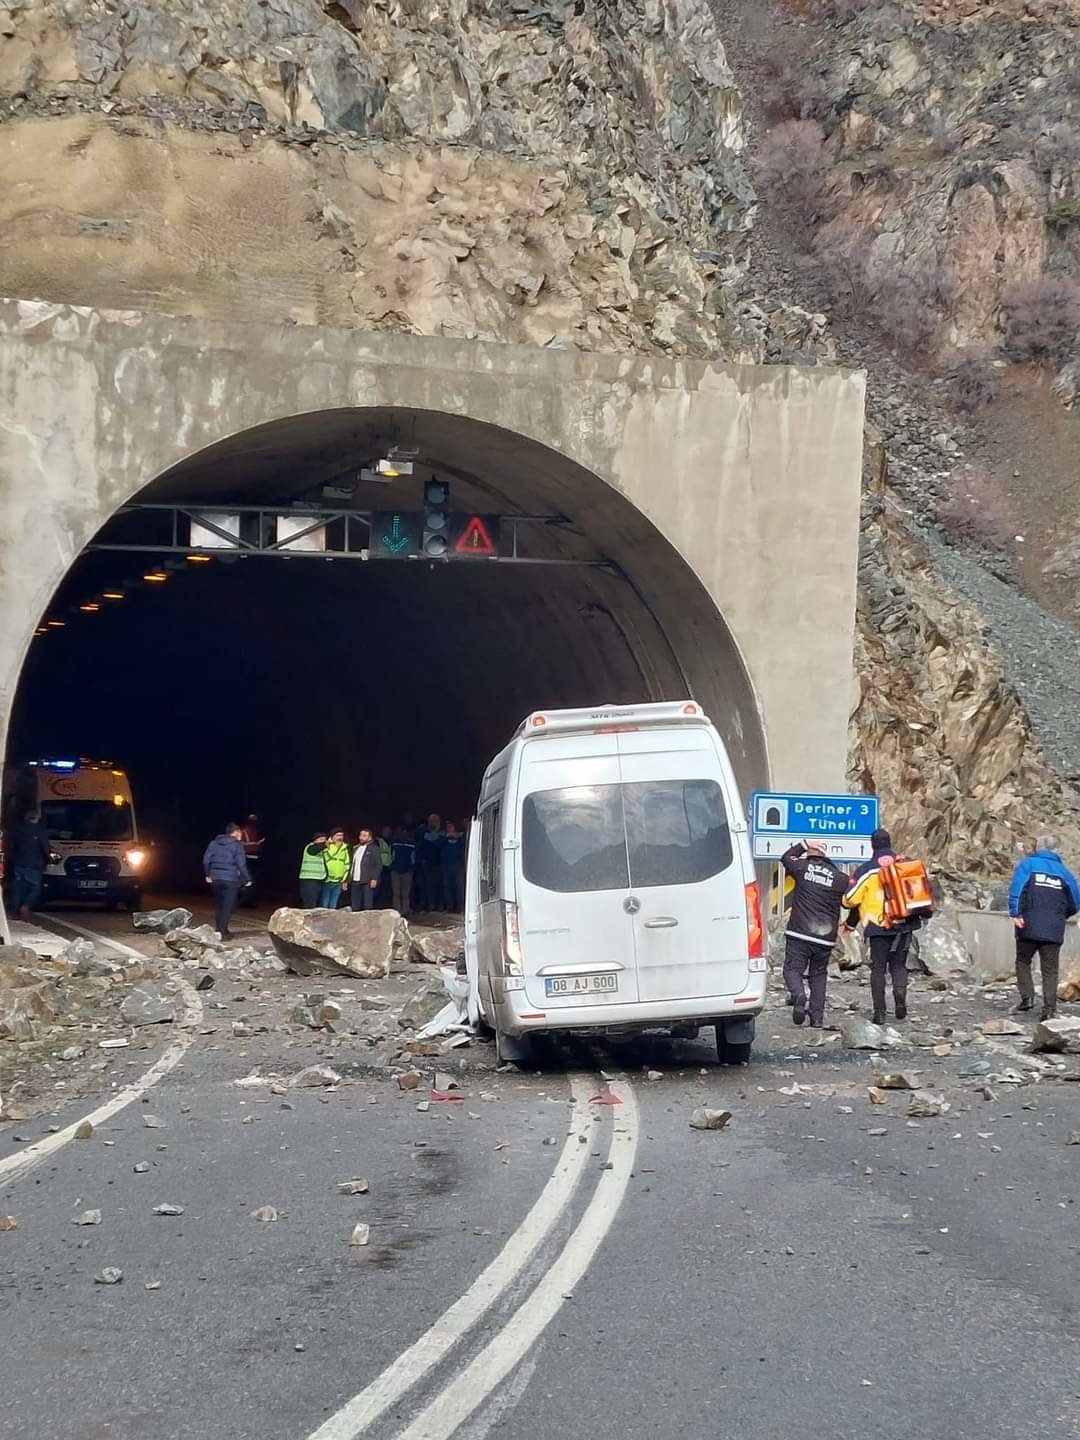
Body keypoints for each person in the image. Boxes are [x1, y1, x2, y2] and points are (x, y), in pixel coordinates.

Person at [844, 827, 921, 1024]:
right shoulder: (904, 864)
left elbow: (850, 900)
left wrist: (849, 919)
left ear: (872, 845)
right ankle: (900, 996)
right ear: (890, 843)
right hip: (904, 924)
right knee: (899, 965)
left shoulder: (867, 870)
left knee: (878, 969)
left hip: (877, 926)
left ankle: (879, 1012)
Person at [780, 840, 853, 1027]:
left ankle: (798, 995)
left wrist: (804, 844)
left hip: (799, 933)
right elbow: (856, 899)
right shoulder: (840, 878)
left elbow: (786, 857)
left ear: (809, 856)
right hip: (825, 938)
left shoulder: (802, 868)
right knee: (818, 975)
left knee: (792, 969)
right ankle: (817, 1018)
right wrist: (850, 924)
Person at [1008, 835, 1080, 1021]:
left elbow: (1017, 890)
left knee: (1023, 961)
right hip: (1054, 927)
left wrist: (1016, 914)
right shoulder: (1065, 872)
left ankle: (1027, 997)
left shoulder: (1027, 865)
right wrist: (1060, 915)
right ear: (1056, 850)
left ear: (1038, 847)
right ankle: (1049, 1009)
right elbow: (1075, 901)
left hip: (1029, 923)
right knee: (1051, 969)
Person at [202, 822, 251, 940]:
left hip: (215, 878)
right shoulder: (237, 845)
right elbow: (241, 864)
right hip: (230, 879)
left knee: (219, 905)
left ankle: (221, 929)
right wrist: (247, 879)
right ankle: (222, 933)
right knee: (227, 906)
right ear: (236, 833)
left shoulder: (213, 843)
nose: (241, 836)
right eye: (240, 833)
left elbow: (206, 860)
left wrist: (208, 874)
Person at [9, 809, 51, 920]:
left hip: (18, 863)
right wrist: (49, 861)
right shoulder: (40, 831)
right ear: (37, 818)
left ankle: (15, 911)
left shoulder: (18, 830)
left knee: (18, 887)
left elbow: (11, 846)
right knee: (35, 888)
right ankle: (26, 906)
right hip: (34, 865)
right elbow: (45, 848)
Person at [417, 813, 444, 912]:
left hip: (439, 863)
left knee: (439, 884)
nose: (433, 822)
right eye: (432, 820)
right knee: (428, 885)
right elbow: (421, 847)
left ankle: (440, 904)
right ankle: (431, 904)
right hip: (427, 863)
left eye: (435, 820)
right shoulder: (424, 833)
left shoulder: (442, 834)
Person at [350, 828, 383, 910]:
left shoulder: (374, 848)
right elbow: (352, 864)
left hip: (367, 881)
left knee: (367, 905)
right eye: (360, 835)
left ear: (370, 838)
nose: (361, 837)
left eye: (364, 836)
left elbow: (378, 864)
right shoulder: (356, 848)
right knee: (355, 904)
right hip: (355, 880)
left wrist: (374, 878)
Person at [321, 829, 350, 910]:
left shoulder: (345, 848)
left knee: (333, 906)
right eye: (338, 835)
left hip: (338, 881)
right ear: (332, 836)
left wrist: (344, 880)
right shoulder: (326, 845)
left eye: (342, 835)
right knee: (324, 905)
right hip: (327, 880)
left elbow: (347, 865)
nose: (340, 838)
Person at [298, 831, 328, 909]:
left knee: (316, 904)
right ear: (315, 840)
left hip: (318, 879)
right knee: (310, 904)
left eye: (324, 839)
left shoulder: (322, 850)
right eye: (321, 839)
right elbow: (315, 849)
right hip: (309, 880)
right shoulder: (310, 847)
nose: (323, 841)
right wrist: (325, 844)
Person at [239, 814, 264, 905]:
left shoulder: (257, 832)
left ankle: (248, 900)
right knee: (247, 880)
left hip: (255, 859)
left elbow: (259, 845)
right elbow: (242, 845)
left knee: (253, 881)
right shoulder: (243, 832)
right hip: (247, 859)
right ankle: (244, 901)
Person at [391, 824, 416, 915]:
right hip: (396, 870)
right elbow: (392, 857)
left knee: (405, 893)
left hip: (407, 871)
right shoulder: (395, 844)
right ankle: (397, 911)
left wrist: (412, 869)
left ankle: (405, 911)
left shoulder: (411, 845)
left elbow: (413, 858)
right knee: (396, 892)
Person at [442, 820, 465, 912]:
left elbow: (464, 846)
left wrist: (458, 837)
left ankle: (461, 907)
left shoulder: (460, 837)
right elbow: (439, 845)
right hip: (446, 866)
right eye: (448, 827)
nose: (449, 828)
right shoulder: (443, 838)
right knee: (447, 887)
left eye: (451, 826)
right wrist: (445, 837)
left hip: (458, 866)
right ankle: (449, 907)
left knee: (459, 887)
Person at [377, 826, 394, 908]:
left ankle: (383, 904)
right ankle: (377, 904)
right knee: (378, 887)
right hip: (380, 866)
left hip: (388, 867)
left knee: (385, 887)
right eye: (385, 831)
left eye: (388, 831)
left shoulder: (391, 841)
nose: (387, 832)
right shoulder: (378, 841)